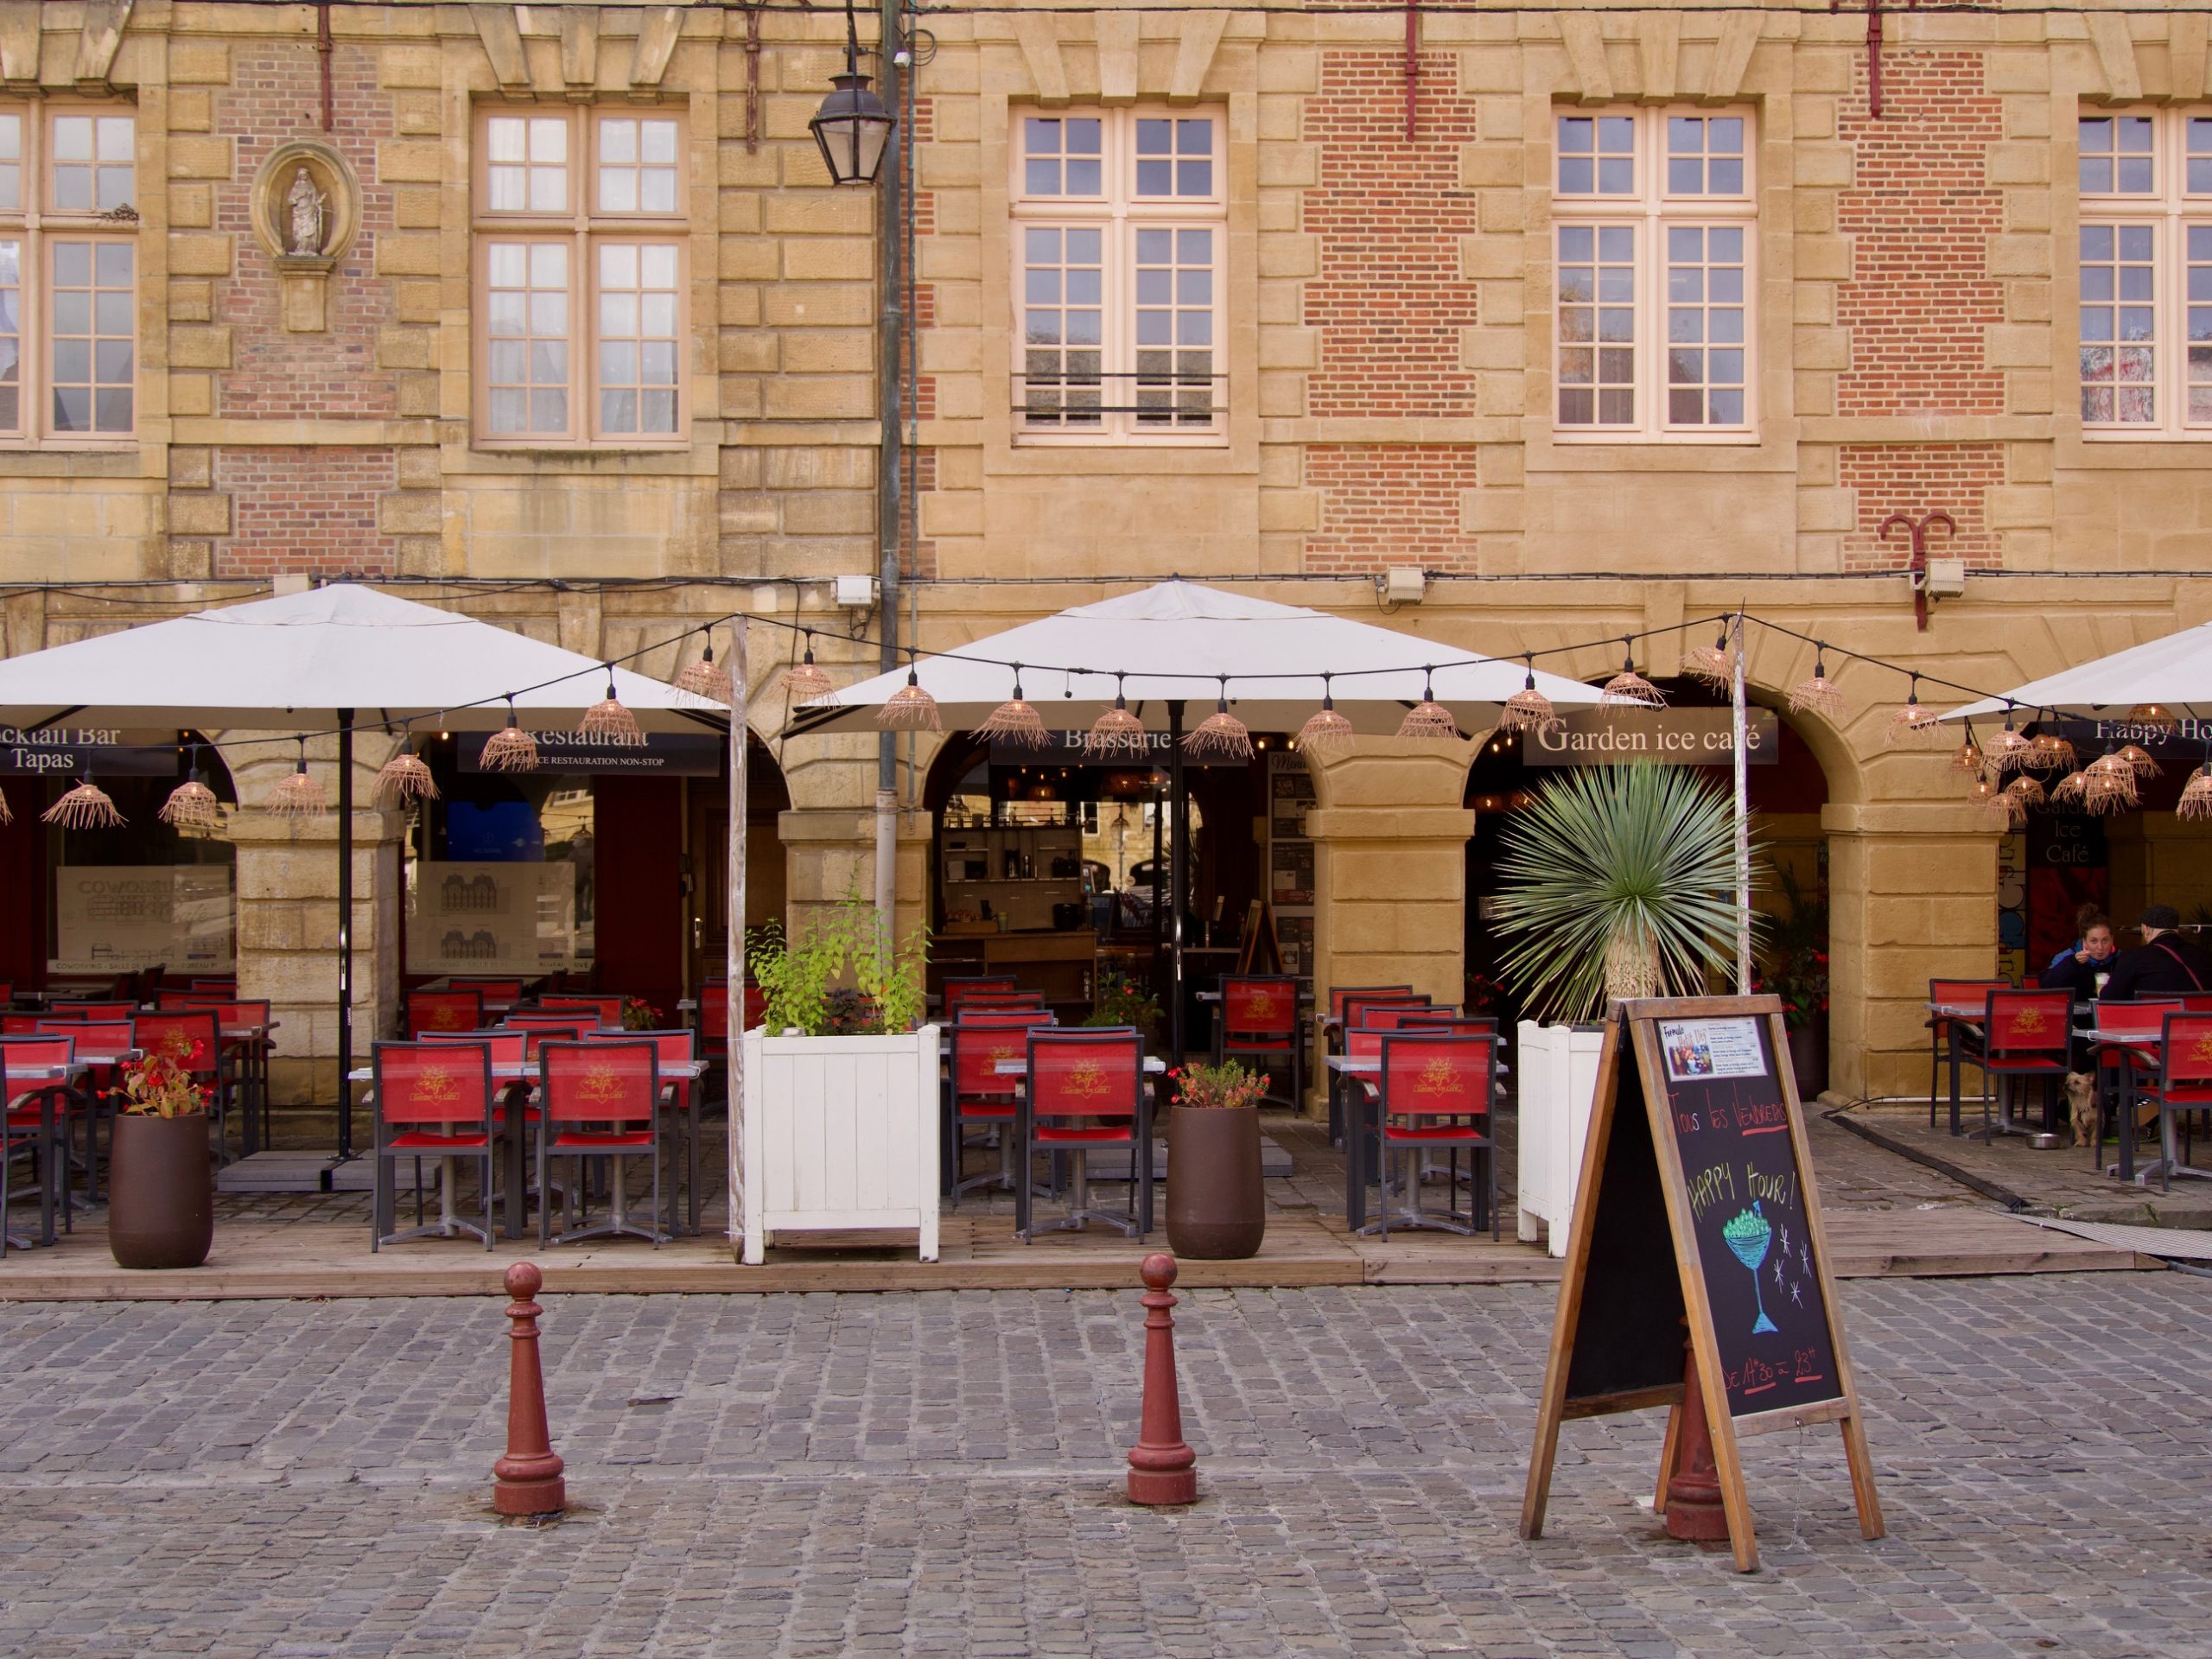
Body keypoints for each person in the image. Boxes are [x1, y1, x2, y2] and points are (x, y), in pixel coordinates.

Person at [2098, 905, 2211, 1001]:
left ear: (2146, 929)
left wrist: (2102, 990)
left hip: (2153, 1025)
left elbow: (2108, 999)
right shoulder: (2204, 956)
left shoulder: (2133, 957)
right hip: (2199, 1025)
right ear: (2176, 928)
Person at [2039, 913, 2118, 1001]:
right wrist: (2072, 963)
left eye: (2105, 940)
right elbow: (2046, 986)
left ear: (2112, 940)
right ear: (2084, 941)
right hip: (2074, 1013)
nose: (2100, 947)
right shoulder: (2067, 956)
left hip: (2111, 1012)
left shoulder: (2122, 959)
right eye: (2094, 941)